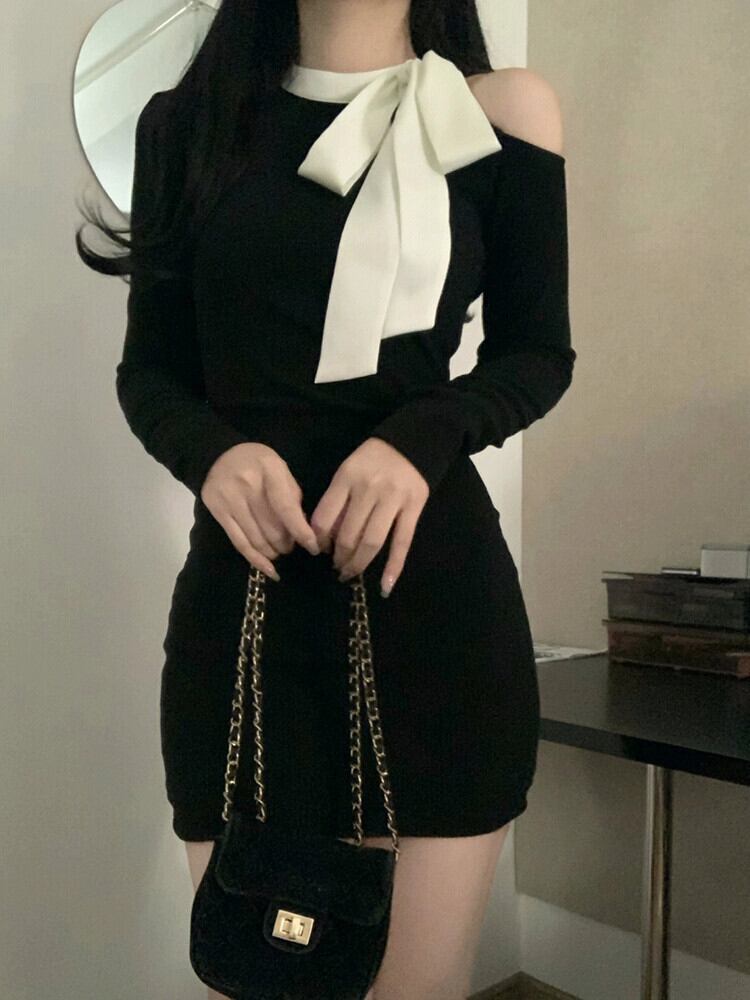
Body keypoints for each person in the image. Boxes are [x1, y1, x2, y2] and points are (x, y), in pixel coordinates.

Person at [76, 1, 575, 997]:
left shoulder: (502, 110)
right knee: (253, 974)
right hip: (245, 615)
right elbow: (152, 373)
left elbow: (536, 353)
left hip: (432, 614)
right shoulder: (187, 121)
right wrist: (212, 455)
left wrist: (418, 441)